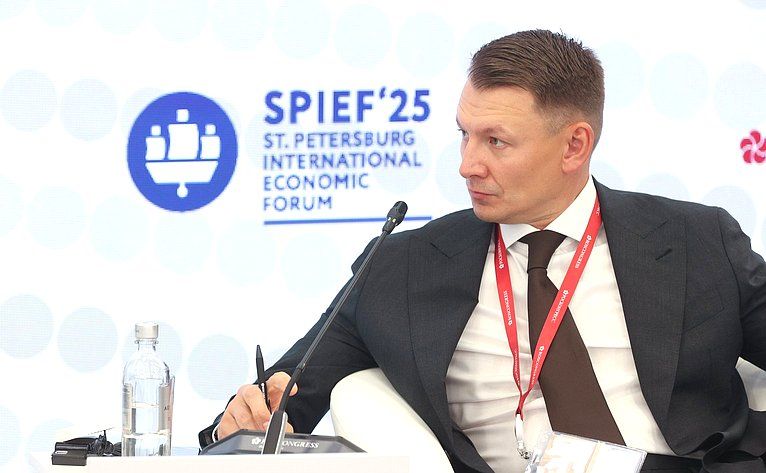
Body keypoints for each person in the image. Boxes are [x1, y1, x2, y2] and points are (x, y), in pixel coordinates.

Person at [199, 30, 766, 473]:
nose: (468, 165)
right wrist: (243, 420)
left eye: (495, 141)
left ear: (574, 145)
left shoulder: (696, 240)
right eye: (464, 135)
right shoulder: (401, 267)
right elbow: (282, 399)